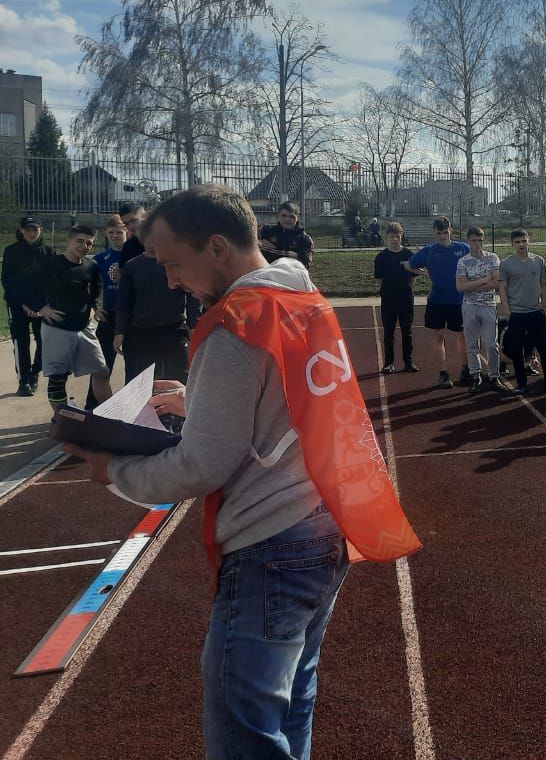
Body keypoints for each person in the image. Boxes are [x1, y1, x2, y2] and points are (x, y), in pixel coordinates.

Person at [58, 184, 420, 760]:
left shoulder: (233, 328)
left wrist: (116, 470)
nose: (171, 281)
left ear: (218, 246)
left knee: (245, 730)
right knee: (292, 700)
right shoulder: (304, 299)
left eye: (174, 264)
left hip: (270, 544)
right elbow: (285, 403)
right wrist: (199, 401)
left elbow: (200, 465)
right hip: (325, 521)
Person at [22, 224, 113, 412]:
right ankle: (62, 420)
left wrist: (94, 306)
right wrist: (41, 308)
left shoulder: (90, 266)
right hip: (57, 329)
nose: (84, 246)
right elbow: (19, 286)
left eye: (89, 243)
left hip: (84, 328)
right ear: (68, 241)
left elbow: (96, 288)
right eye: (79, 241)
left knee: (102, 371)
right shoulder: (50, 264)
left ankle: (109, 415)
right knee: (58, 378)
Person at [115, 233, 202, 382]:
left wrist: (194, 324)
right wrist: (119, 331)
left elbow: (192, 295)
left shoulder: (177, 264)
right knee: (139, 382)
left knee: (179, 379)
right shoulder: (132, 266)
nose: (152, 240)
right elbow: (124, 302)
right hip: (140, 333)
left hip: (173, 331)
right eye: (148, 235)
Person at [407, 216, 469, 388]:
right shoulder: (429, 250)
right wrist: (424, 273)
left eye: (445, 232)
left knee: (462, 336)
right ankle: (443, 373)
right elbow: (409, 265)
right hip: (437, 301)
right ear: (434, 232)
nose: (443, 235)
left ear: (451, 230)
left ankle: (466, 369)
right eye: (439, 232)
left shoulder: (463, 248)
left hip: (459, 301)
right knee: (439, 336)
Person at [498, 229, 546, 397]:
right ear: (512, 244)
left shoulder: (539, 261)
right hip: (517, 314)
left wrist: (544, 306)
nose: (521, 244)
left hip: (536, 313)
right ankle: (522, 384)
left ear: (529, 240)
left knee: (544, 348)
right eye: (517, 242)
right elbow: (502, 288)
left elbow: (544, 286)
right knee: (516, 349)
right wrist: (507, 311)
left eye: (523, 241)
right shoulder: (506, 264)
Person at [3, 216, 51, 397]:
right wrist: (25, 303)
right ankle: (23, 381)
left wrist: (39, 305)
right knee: (21, 342)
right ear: (21, 230)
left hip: (41, 306)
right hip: (17, 304)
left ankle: (35, 373)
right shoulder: (11, 251)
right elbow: (8, 281)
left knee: (44, 341)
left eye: (35, 229)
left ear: (41, 230)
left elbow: (52, 281)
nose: (32, 232)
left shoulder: (48, 252)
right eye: (28, 229)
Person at [455, 227, 504, 392]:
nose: (477, 244)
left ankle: (494, 376)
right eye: (474, 240)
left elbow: (497, 282)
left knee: (491, 344)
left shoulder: (492, 258)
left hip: (488, 305)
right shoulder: (463, 261)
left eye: (480, 240)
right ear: (468, 241)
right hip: (469, 306)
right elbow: (460, 287)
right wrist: (484, 280)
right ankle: (475, 375)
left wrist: (473, 284)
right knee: (472, 344)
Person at [89, 216, 127, 406]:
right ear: (106, 233)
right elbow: (87, 286)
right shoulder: (99, 259)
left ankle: (135, 406)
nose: (115, 236)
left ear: (126, 231)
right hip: (108, 315)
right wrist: (95, 307)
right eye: (111, 232)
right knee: (101, 365)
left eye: (119, 232)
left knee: (136, 365)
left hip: (132, 316)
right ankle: (93, 406)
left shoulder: (135, 255)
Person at [373, 222, 418, 374]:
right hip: (388, 299)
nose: (394, 239)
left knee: (407, 330)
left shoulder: (408, 255)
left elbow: (413, 277)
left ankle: (409, 361)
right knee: (389, 331)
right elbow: (379, 280)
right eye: (392, 236)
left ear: (401, 236)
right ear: (387, 238)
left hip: (405, 298)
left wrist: (408, 290)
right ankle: (389, 362)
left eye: (397, 236)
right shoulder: (381, 257)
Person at [259, 201, 314, 269]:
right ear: (278, 215)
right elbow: (250, 247)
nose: (287, 219)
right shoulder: (266, 230)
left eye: (291, 216)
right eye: (283, 216)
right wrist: (290, 255)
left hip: (289, 275)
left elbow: (305, 264)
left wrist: (268, 250)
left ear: (298, 217)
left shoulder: (304, 239)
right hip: (265, 273)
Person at [118, 201, 147, 266]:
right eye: (126, 223)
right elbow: (120, 274)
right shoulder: (128, 246)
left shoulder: (160, 240)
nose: (131, 226)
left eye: (134, 220)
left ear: (145, 217)